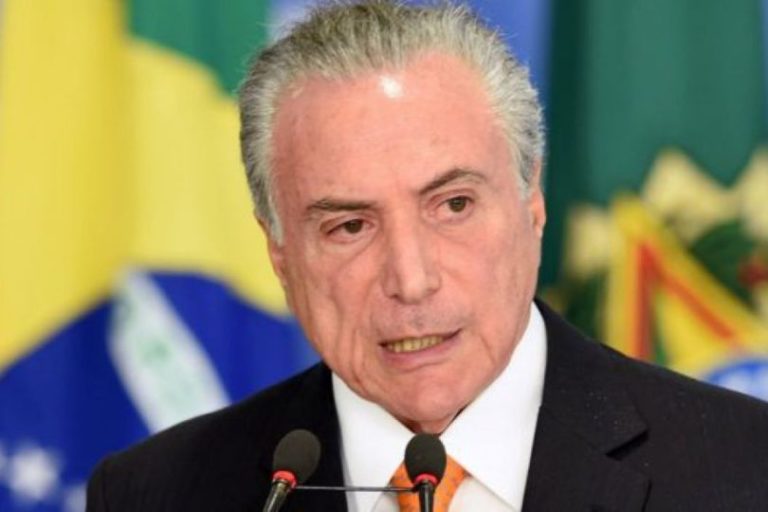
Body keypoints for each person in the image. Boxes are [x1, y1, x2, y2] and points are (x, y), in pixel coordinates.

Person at [86, 1, 768, 511]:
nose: (411, 280)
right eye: (350, 226)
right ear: (279, 251)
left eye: (453, 205)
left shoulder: (743, 470)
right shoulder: (157, 493)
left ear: (532, 200)